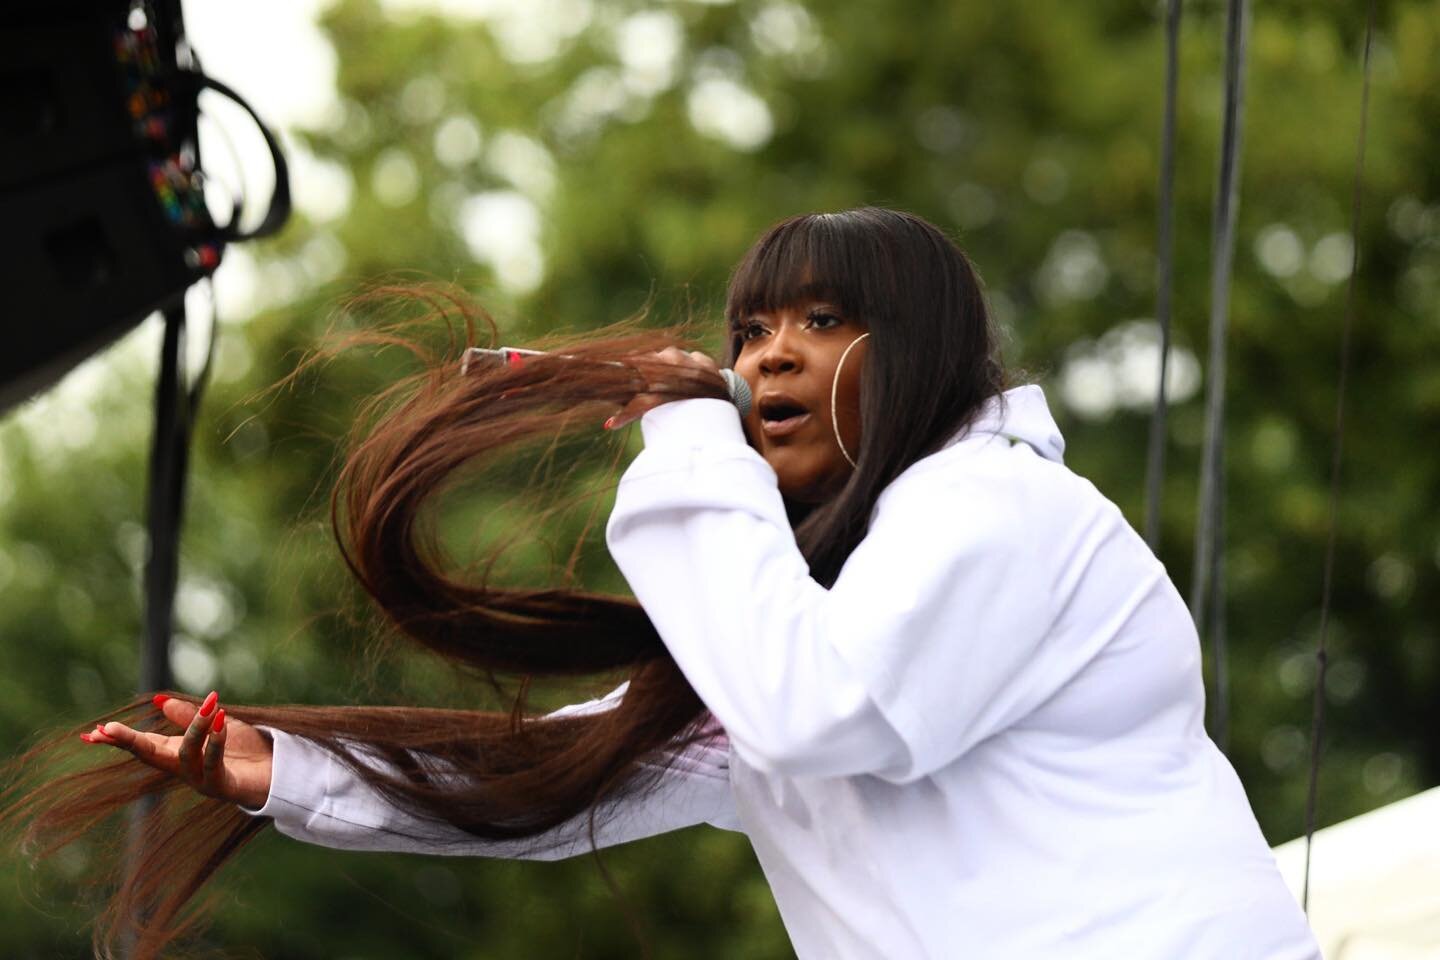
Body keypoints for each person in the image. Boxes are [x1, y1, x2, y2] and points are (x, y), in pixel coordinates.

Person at [42, 208, 1317, 958]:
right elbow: (569, 774)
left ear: (921, 352)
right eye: (750, 333)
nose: (766, 360)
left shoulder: (999, 507)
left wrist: (691, 435)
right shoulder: (826, 604)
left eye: (818, 322)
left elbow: (820, 715)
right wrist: (289, 770)